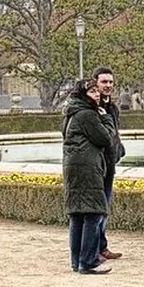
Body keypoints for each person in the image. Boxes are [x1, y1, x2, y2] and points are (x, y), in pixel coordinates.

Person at [61, 78, 112, 275]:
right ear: (83, 95)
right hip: (87, 168)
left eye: (96, 91)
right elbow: (105, 138)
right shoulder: (87, 114)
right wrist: (105, 118)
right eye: (92, 92)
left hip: (73, 167)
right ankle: (89, 261)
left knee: (77, 214)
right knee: (93, 213)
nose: (97, 94)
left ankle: (77, 261)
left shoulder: (71, 112)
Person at [93, 66, 125, 262]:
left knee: (104, 206)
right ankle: (94, 248)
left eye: (111, 82)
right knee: (96, 208)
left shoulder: (112, 107)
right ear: (95, 82)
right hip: (96, 164)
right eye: (104, 82)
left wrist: (119, 150)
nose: (108, 86)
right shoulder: (92, 107)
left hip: (109, 163)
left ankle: (102, 246)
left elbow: (114, 134)